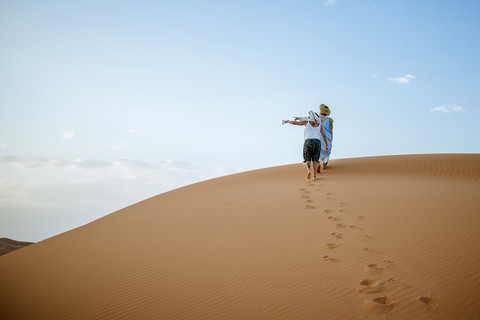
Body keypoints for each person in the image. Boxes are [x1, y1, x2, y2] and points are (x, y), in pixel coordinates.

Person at [283, 110, 329, 180]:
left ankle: (309, 171)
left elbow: (295, 123)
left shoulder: (306, 122)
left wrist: (287, 121)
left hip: (308, 141)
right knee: (315, 160)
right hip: (317, 142)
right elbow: (324, 135)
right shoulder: (319, 125)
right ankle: (314, 176)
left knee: (307, 158)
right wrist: (326, 145)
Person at [318, 104, 333, 171]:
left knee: (318, 150)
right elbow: (331, 130)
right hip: (327, 137)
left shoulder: (317, 118)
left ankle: (318, 163)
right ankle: (324, 163)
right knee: (327, 151)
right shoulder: (330, 119)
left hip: (318, 136)